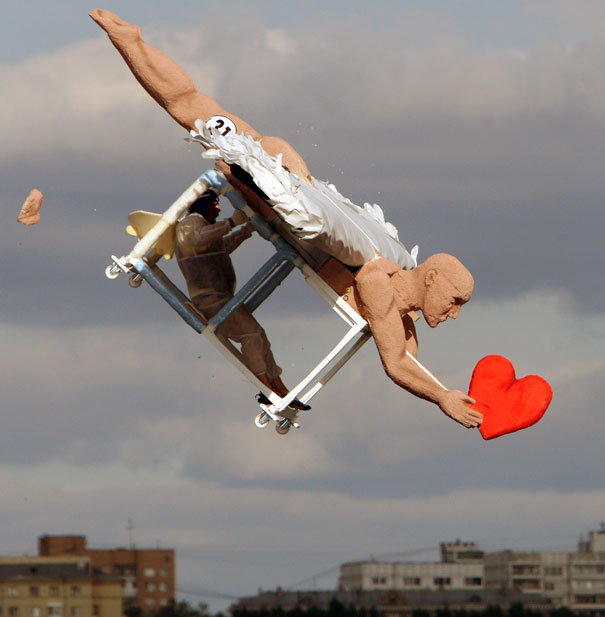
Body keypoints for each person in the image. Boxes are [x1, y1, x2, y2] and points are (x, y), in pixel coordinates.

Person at [91, 9, 483, 429]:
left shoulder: (397, 294)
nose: (454, 313)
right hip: (273, 187)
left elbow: (407, 358)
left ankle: (131, 41)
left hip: (290, 179)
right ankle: (129, 43)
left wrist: (443, 391)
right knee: (194, 111)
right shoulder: (378, 285)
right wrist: (441, 397)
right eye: (454, 301)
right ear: (430, 279)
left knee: (197, 107)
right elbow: (396, 363)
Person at [176, 189, 303, 407]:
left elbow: (221, 248)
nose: (218, 208)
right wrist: (232, 222)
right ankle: (266, 387)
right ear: (203, 204)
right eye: (215, 203)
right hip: (211, 300)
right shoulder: (190, 224)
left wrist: (246, 230)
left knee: (259, 335)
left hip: (222, 298)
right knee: (251, 335)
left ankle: (278, 386)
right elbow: (196, 238)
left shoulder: (202, 227)